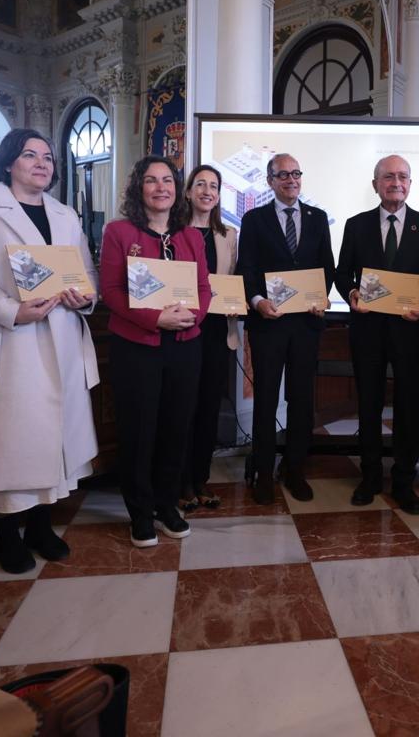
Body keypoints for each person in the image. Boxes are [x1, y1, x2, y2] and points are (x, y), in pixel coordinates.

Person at [0, 129, 100, 574]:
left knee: (50, 435)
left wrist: (82, 298)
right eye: (29, 154)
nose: (41, 163)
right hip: (9, 338)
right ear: (8, 161)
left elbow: (85, 272)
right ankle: (6, 534)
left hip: (61, 334)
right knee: (11, 438)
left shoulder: (65, 214)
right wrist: (12, 310)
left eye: (48, 157)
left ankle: (40, 525)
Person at [99, 156, 212, 548]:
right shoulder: (118, 232)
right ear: (139, 188)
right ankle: (140, 513)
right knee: (139, 430)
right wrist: (155, 320)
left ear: (176, 189)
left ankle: (168, 506)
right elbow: (111, 291)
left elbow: (203, 289)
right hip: (137, 346)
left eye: (167, 180)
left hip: (184, 345)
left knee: (176, 428)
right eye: (151, 180)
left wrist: (191, 318)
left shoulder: (192, 236)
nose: (160, 187)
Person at [335, 155, 419, 514]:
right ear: (375, 184)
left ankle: (404, 480)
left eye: (402, 177)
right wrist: (351, 294)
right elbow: (342, 272)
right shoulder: (356, 224)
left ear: (410, 184)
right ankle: (369, 477)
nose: (396, 182)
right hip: (367, 329)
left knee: (411, 406)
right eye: (388, 177)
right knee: (368, 403)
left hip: (410, 331)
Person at [236, 153, 336, 506]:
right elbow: (245, 269)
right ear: (270, 181)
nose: (291, 179)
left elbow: (327, 267)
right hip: (269, 324)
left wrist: (321, 297)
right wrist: (258, 300)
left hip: (306, 325)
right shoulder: (254, 219)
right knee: (265, 401)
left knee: (301, 400)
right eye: (283, 175)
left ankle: (294, 470)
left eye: (296, 173)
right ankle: (264, 472)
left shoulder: (318, 217)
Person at [179, 164, 240, 511]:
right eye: (200, 184)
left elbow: (231, 279)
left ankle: (200, 478)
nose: (207, 190)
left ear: (218, 196)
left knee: (208, 409)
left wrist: (236, 303)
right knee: (182, 407)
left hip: (218, 330)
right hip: (184, 328)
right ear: (187, 192)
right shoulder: (173, 232)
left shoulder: (228, 235)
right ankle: (180, 480)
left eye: (213, 186)